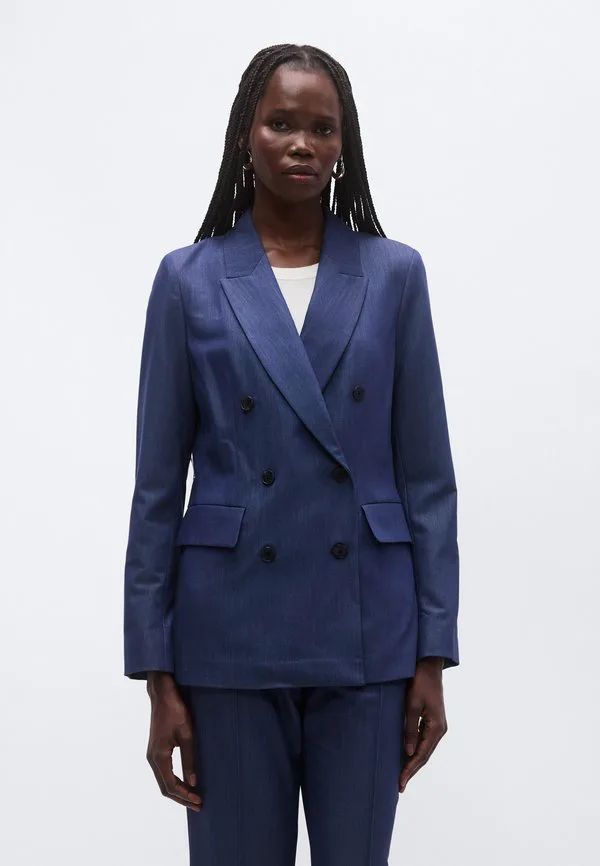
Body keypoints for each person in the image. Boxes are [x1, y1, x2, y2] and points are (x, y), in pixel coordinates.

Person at [123, 42, 460, 866]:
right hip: (229, 635)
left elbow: (427, 480)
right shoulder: (188, 280)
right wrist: (156, 674)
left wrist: (433, 652)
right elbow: (157, 491)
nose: (302, 143)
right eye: (281, 123)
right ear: (247, 135)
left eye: (323, 128)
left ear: (345, 146)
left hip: (368, 633)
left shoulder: (394, 275)